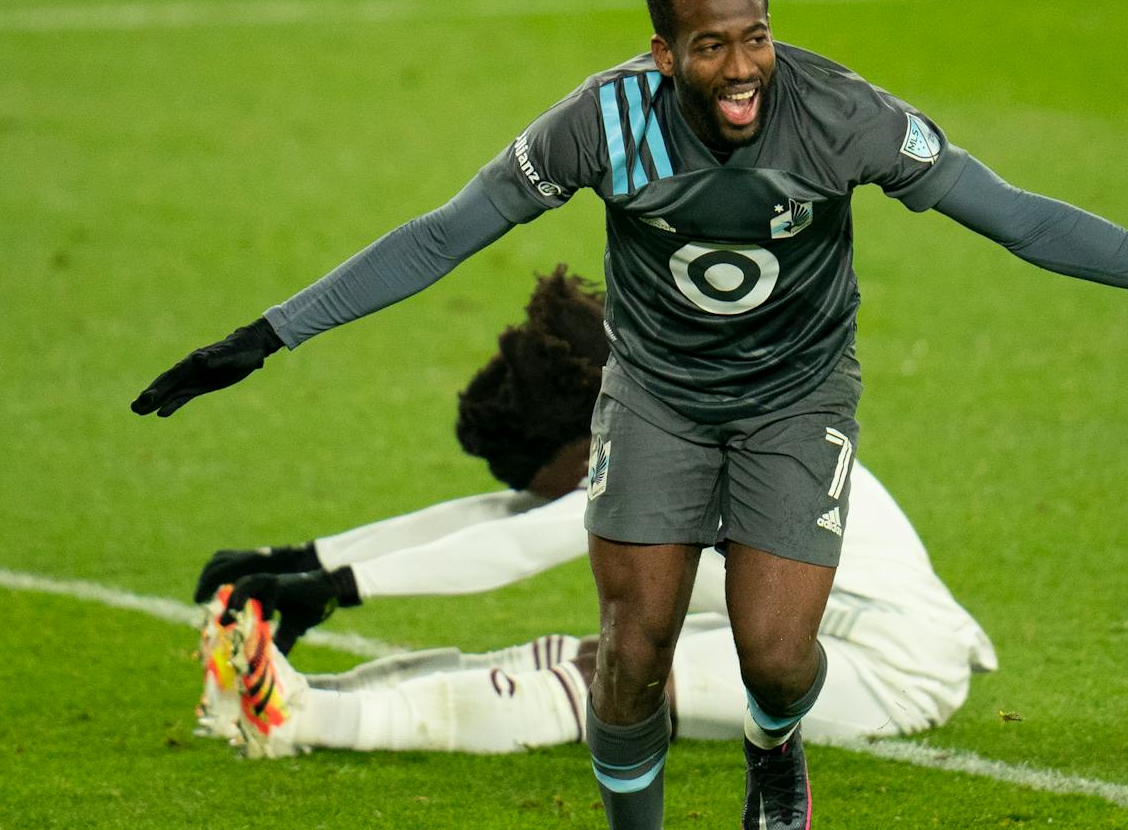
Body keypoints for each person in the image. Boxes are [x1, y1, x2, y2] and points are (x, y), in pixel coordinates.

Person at [133, 0, 1128, 830]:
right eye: (712, 46)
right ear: (663, 52)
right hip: (658, 398)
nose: (741, 68)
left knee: (777, 656)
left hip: (795, 402)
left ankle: (779, 741)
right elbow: (444, 234)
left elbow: (1014, 212)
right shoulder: (596, 124)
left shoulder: (845, 116)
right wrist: (265, 336)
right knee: (629, 649)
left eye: (755, 37)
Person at [193, 269, 994, 757]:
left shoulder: (680, 454)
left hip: (889, 667)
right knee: (580, 658)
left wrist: (336, 586)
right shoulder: (662, 422)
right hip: (822, 637)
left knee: (590, 687)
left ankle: (303, 720)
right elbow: (504, 515)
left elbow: (521, 545)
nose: (553, 497)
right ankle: (315, 698)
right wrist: (305, 558)